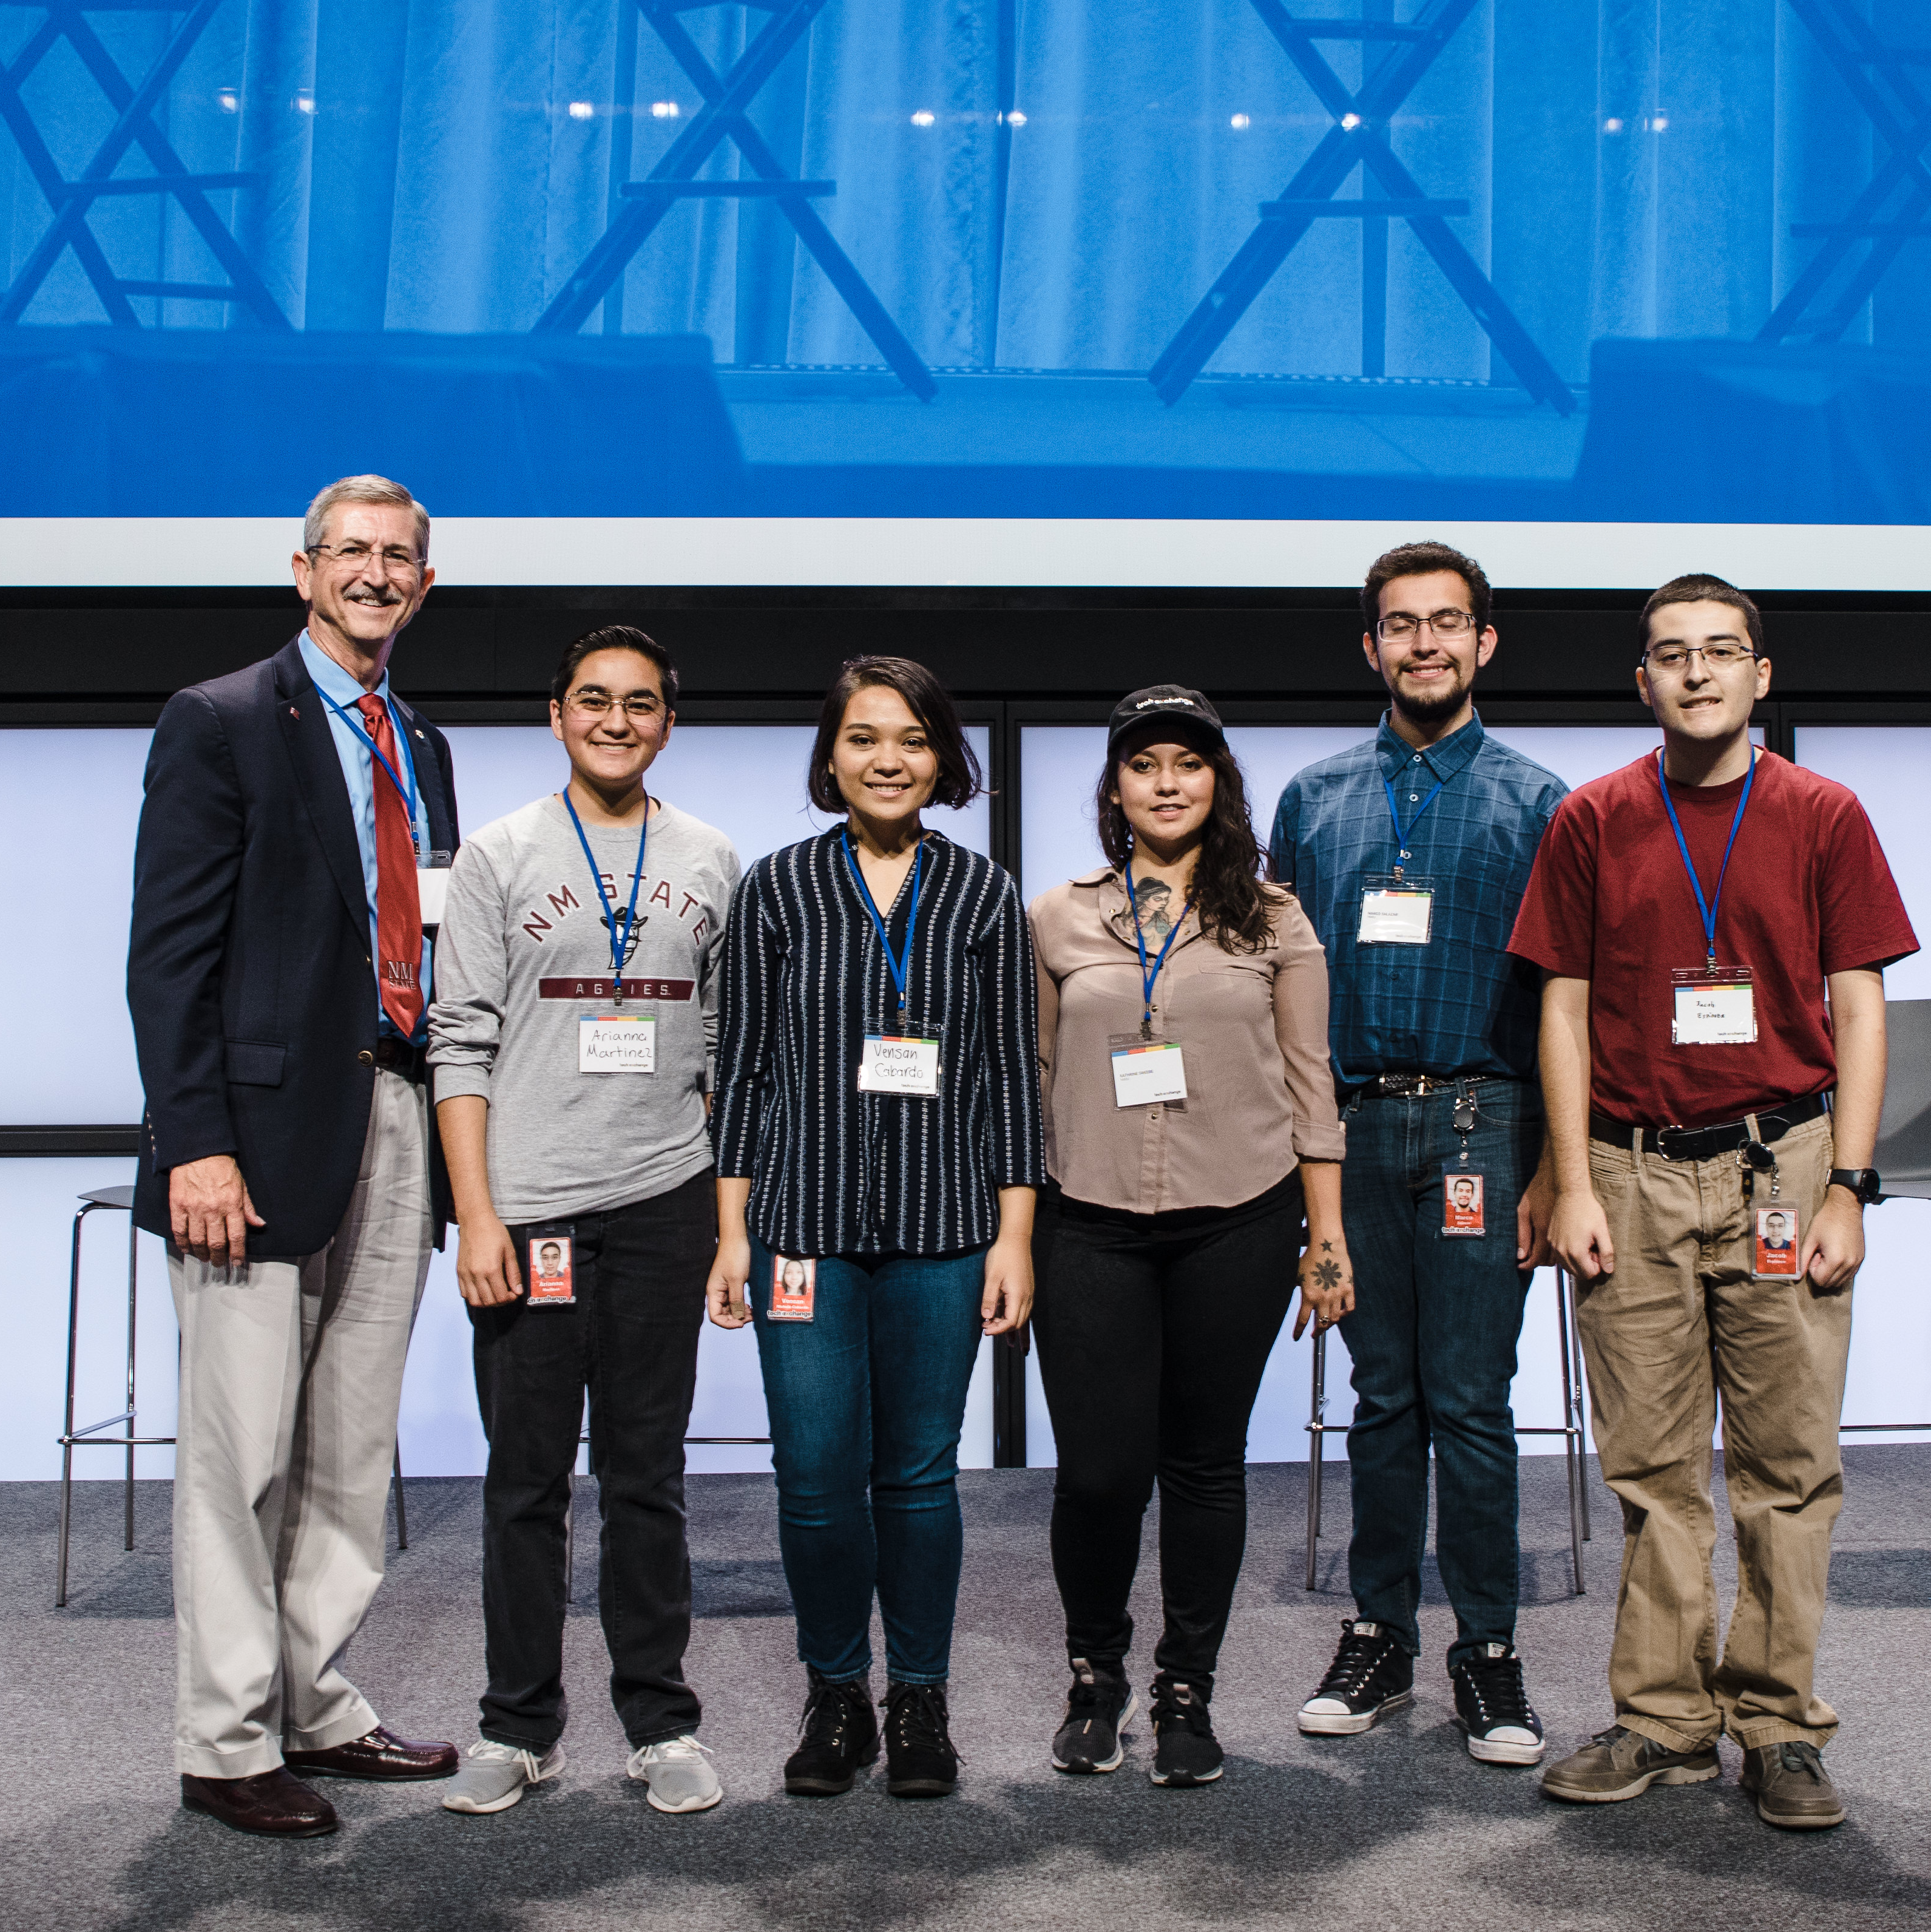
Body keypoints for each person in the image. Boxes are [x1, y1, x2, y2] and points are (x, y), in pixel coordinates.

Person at [1510, 574, 1915, 1831]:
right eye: (1671, 656)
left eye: (1720, 652)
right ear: (1641, 681)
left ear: (1759, 675)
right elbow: (1561, 1009)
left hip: (1781, 1168)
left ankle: (1779, 1725)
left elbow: (1858, 1007)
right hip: (1628, 1172)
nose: (1696, 673)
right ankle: (1662, 1719)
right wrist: (1570, 1179)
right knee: (1647, 1468)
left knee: (1788, 1467)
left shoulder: (1822, 813)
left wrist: (1849, 1184)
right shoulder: (1590, 818)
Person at [126, 473, 465, 1838]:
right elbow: (168, 961)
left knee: (347, 1445)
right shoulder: (216, 722)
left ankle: (314, 1699)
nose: (376, 574)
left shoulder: (418, 741)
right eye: (354, 553)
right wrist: (195, 1144)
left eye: (400, 558)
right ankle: (223, 1740)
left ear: (424, 586)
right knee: (238, 1455)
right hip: (252, 1147)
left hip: (393, 1116)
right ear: (302, 567)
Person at [708, 656, 1043, 1800]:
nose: (887, 758)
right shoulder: (778, 887)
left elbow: (1008, 1078)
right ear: (831, 755)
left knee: (917, 1477)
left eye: (909, 739)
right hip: (801, 1227)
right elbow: (742, 1072)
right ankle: (836, 1695)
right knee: (812, 1477)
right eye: (863, 738)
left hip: (948, 1228)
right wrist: (732, 1232)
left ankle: (922, 1704)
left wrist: (1015, 1238)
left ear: (943, 757)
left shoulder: (984, 893)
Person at [1265, 540, 1569, 1768]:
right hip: (1347, 1130)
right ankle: (1379, 1636)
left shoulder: (1540, 802)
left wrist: (1553, 1172)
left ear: (1483, 645)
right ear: (1370, 647)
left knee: (1472, 1403)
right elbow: (1280, 1001)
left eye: (1448, 625)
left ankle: (1487, 1654)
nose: (1425, 644)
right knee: (1378, 1402)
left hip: (1479, 1129)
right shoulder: (1313, 798)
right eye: (1402, 625)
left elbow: (1562, 1003)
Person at [428, 625, 739, 1819]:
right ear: (553, 713)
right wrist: (477, 1215)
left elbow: (721, 1052)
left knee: (645, 1475)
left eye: (642, 703)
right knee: (524, 1480)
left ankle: (659, 1723)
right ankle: (517, 1727)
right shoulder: (499, 856)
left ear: (668, 722)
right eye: (593, 700)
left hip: (663, 1197)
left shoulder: (709, 856)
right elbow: (458, 1041)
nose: (617, 720)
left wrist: (726, 1227)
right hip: (532, 1205)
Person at [1029, 685, 1351, 1788]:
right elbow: (1028, 1083)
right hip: (1090, 1224)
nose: (1167, 783)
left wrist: (1327, 1238)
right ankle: (1096, 1678)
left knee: (1206, 1466)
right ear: (1115, 788)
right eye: (1144, 765)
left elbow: (1313, 1084)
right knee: (1101, 1473)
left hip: (1240, 1220)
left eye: (1189, 763)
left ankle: (1185, 1690)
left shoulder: (1275, 918)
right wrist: (1011, 1234)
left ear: (1220, 783)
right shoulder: (1057, 916)